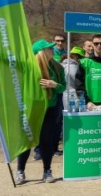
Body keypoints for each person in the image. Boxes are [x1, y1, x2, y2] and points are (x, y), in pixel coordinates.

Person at [15, 39, 66, 185]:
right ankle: (20, 171)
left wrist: (54, 85)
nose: (52, 49)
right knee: (26, 141)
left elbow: (63, 87)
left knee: (46, 141)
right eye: (48, 48)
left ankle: (47, 171)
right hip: (31, 109)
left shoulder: (58, 67)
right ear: (40, 52)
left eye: (51, 48)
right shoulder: (28, 65)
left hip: (50, 108)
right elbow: (4, 59)